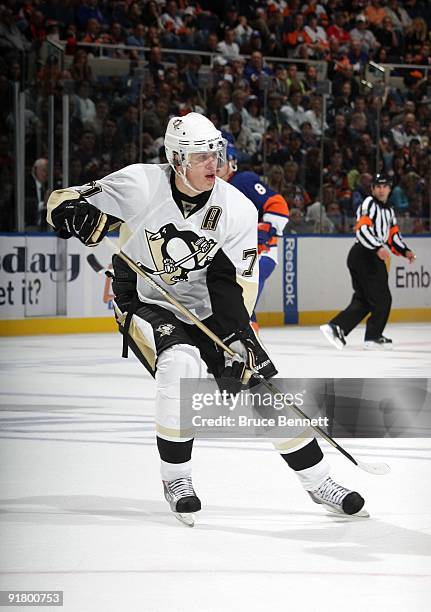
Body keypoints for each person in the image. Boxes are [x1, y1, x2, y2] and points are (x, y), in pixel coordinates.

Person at [46, 112, 367, 524]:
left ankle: (319, 480)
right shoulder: (140, 183)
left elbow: (235, 284)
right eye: (201, 157)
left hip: (209, 306)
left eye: (215, 154)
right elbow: (62, 200)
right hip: (146, 298)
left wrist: (238, 337)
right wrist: (74, 214)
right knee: (179, 361)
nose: (213, 164)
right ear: (177, 160)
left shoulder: (237, 209)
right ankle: (176, 478)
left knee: (260, 384)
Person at [320, 174, 416, 351]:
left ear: (389, 188)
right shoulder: (369, 204)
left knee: (365, 300)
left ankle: (336, 327)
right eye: (377, 186)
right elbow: (362, 229)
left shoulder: (389, 211)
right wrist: (376, 247)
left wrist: (405, 250)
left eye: (384, 186)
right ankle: (373, 337)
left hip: (366, 255)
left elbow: (393, 236)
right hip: (365, 255)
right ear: (372, 189)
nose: (381, 189)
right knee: (382, 298)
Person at [216, 143, 290, 333]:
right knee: (238, 303)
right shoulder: (210, 190)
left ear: (231, 163)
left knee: (240, 302)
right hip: (232, 256)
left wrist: (267, 228)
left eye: (219, 160)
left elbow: (277, 204)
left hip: (259, 254)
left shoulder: (243, 180)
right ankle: (247, 340)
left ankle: (245, 340)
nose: (214, 165)